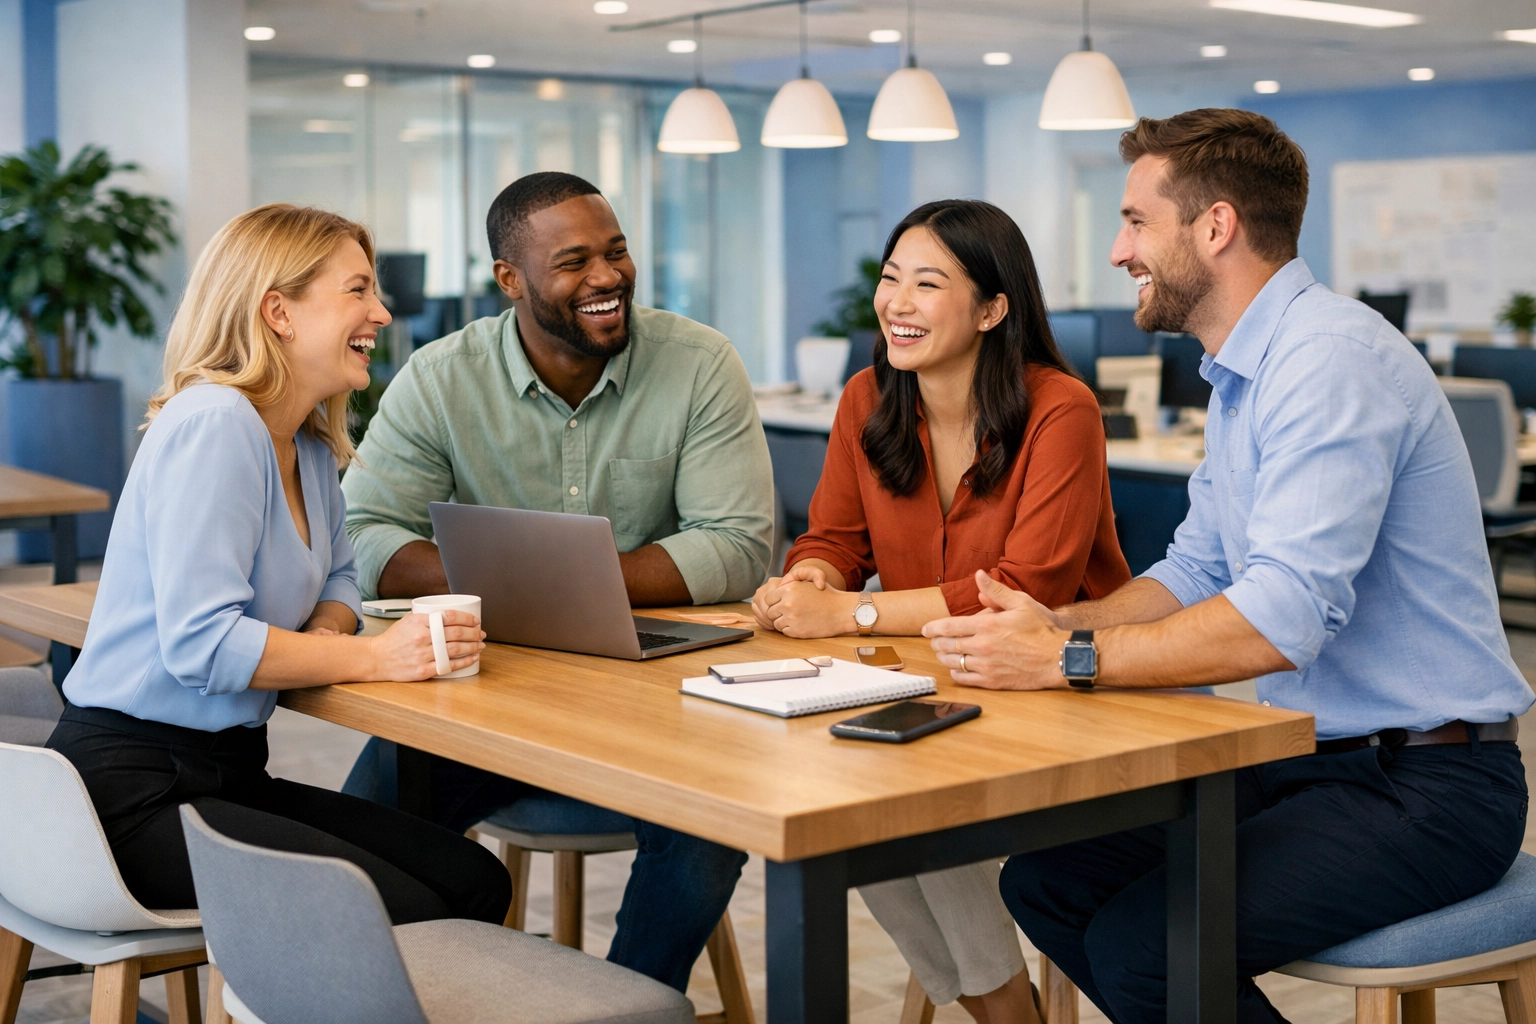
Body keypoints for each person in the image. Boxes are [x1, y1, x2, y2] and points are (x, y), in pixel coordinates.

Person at [923, 109, 1534, 1024]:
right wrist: (1061, 626)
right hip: (1306, 760)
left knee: (1149, 950)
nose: (1119, 247)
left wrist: (1065, 664)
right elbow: (1199, 569)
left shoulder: (1328, 360)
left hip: (1429, 787)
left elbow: (1279, 618)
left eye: (1136, 221)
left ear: (1214, 227)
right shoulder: (1243, 373)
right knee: (1048, 883)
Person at [338, 171, 773, 991]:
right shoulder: (441, 377)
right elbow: (362, 535)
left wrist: (558, 582)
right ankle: (385, 997)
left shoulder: (699, 363)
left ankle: (629, 1006)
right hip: (487, 699)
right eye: (573, 262)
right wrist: (521, 588)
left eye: (616, 252)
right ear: (511, 280)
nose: (606, 277)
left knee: (712, 826)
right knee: (370, 814)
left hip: (659, 710)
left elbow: (737, 545)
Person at [46, 204, 511, 926]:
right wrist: (376, 658)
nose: (382, 313)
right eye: (358, 290)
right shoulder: (217, 424)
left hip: (226, 772)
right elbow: (203, 644)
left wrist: (327, 633)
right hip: (134, 791)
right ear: (279, 313)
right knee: (421, 907)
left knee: (471, 877)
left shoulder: (310, 441)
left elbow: (343, 578)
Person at [753, 200, 1130, 1023]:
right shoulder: (867, 398)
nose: (897, 302)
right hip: (946, 686)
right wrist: (811, 581)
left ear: (993, 309)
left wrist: (852, 616)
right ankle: (1003, 1011)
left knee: (904, 801)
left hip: (1067, 694)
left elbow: (1024, 586)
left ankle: (1006, 1017)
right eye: (892, 279)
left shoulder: (1060, 409)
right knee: (858, 804)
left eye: (928, 283)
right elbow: (833, 538)